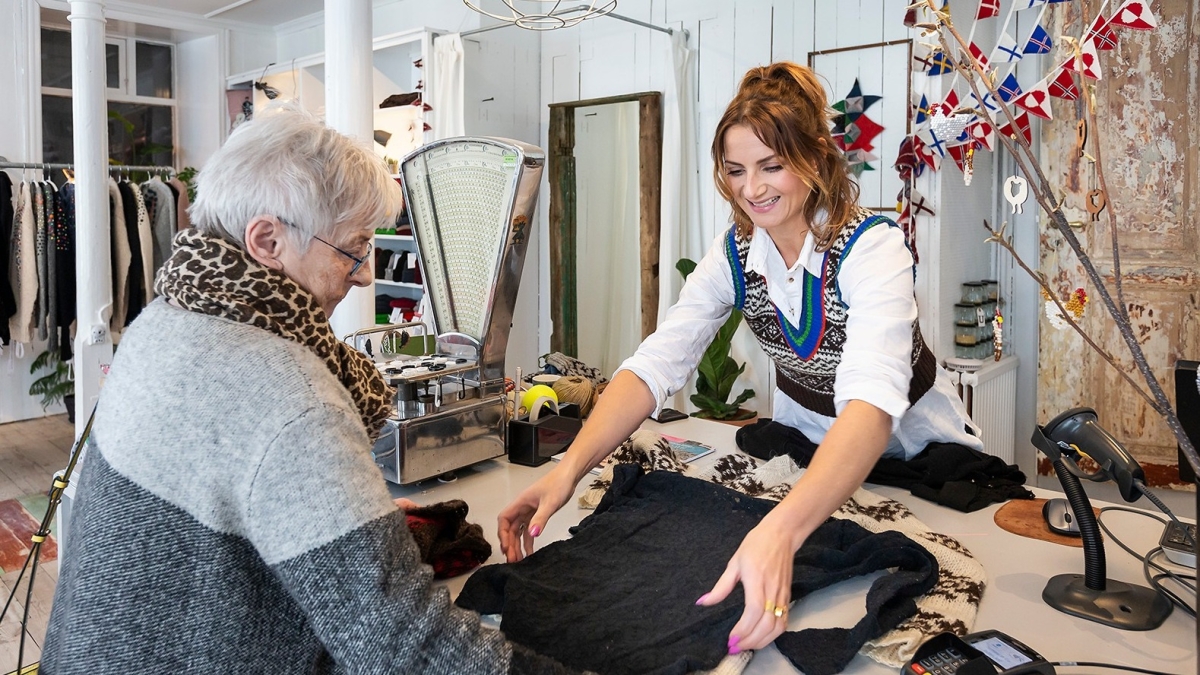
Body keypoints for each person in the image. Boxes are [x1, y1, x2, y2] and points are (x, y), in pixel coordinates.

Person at [41, 106, 579, 675]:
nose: (365, 273)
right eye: (353, 248)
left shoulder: (160, 322)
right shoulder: (289, 395)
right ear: (267, 240)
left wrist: (333, 526)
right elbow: (405, 647)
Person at [497, 62, 983, 656]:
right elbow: (657, 363)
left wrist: (780, 530)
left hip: (918, 453)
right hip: (814, 456)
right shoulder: (734, 254)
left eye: (772, 166)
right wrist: (567, 469)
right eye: (735, 170)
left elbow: (872, 403)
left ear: (815, 158)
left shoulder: (872, 249)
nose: (752, 189)